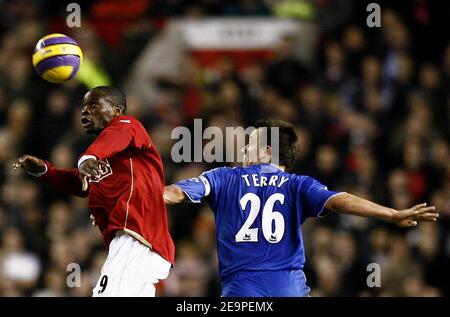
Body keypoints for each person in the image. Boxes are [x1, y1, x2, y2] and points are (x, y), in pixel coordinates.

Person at [164, 119, 438, 297]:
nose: (243, 151)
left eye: (249, 145)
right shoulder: (298, 184)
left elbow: (175, 193)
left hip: (242, 288)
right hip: (289, 287)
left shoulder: (223, 177)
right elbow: (339, 200)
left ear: (266, 150)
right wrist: (390, 213)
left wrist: (134, 197)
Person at [13, 86, 175, 297]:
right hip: (130, 243)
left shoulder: (128, 126)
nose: (85, 111)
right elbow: (78, 183)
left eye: (94, 105)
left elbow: (114, 138)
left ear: (116, 111)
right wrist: (44, 171)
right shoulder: (105, 156)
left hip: (139, 238)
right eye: (83, 106)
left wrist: (87, 158)